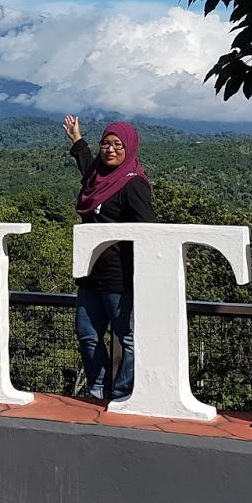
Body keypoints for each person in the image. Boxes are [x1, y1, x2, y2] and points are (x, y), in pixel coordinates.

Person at [64, 115, 153, 402]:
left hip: (120, 275)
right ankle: (98, 390)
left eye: (117, 145)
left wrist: (164, 256)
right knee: (87, 335)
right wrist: (78, 140)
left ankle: (123, 393)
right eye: (105, 144)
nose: (110, 150)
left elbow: (148, 227)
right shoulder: (97, 178)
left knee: (129, 339)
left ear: (130, 148)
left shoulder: (132, 184)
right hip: (90, 273)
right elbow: (87, 165)